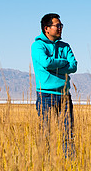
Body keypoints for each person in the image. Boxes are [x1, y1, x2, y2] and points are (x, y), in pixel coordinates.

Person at [31, 13, 77, 156]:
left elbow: (74, 66)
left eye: (61, 25)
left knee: (67, 133)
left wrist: (55, 64)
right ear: (46, 28)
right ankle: (46, 167)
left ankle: (70, 166)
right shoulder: (37, 46)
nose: (60, 28)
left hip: (64, 96)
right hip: (45, 94)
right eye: (57, 25)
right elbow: (45, 62)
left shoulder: (65, 46)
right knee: (46, 134)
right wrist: (63, 63)